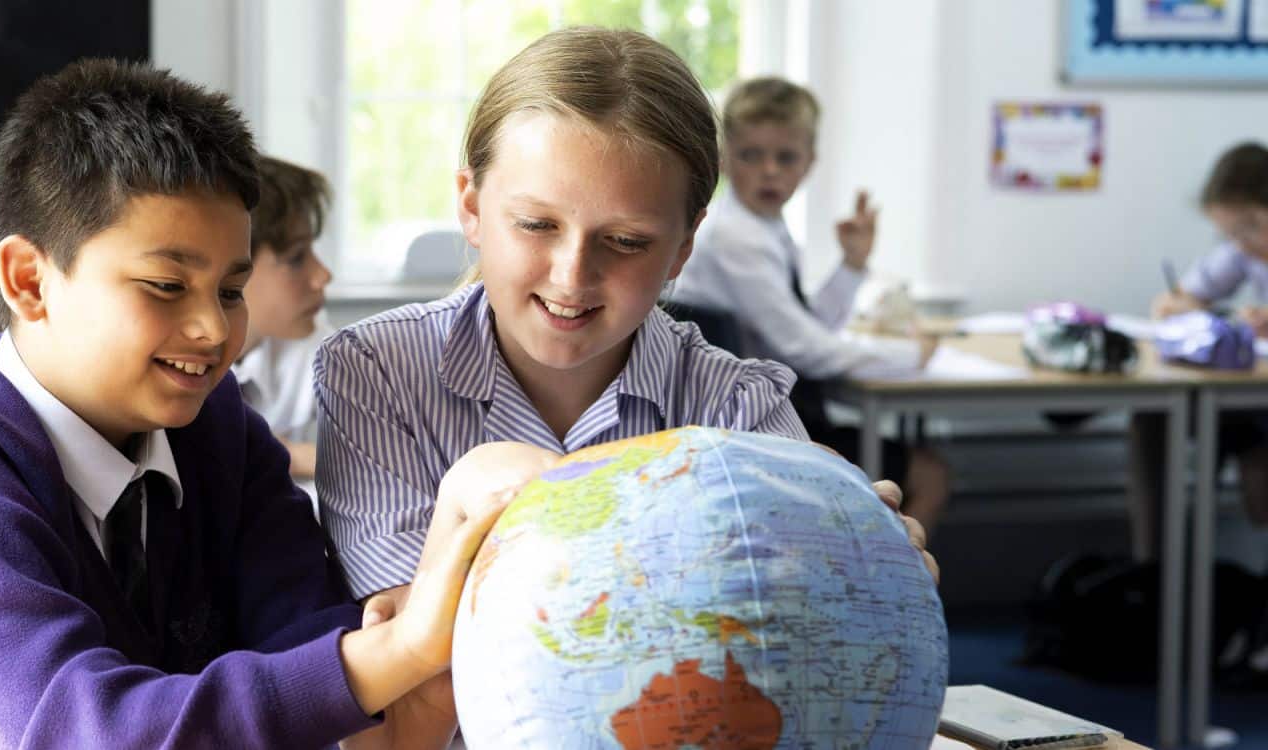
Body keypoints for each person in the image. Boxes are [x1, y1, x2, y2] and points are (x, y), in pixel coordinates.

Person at [0, 59, 507, 748]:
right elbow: (75, 731)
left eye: (230, 289)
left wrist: (392, 650)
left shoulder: (218, 430)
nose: (211, 328)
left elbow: (300, 640)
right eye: (165, 284)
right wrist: (391, 654)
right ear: (27, 280)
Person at [313, 36, 939, 742]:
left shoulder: (739, 402)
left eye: (629, 241)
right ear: (470, 204)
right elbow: (413, 669)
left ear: (683, 245)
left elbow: (811, 647)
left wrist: (866, 574)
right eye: (536, 224)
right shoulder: (375, 370)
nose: (572, 275)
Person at [669, 75, 950, 530]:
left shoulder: (764, 228)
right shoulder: (737, 238)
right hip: (766, 435)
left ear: (809, 163)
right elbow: (803, 348)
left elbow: (807, 327)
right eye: (751, 155)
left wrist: (852, 265)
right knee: (931, 474)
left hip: (774, 418)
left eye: (786, 157)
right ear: (723, 158)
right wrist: (910, 357)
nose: (770, 171)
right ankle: (894, 590)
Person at [1133, 142, 1268, 558]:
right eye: (1230, 234)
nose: (1242, 243)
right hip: (1248, 397)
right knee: (1155, 420)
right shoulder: (1243, 254)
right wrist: (1186, 308)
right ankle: (1159, 570)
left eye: (1251, 228)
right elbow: (1172, 303)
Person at [234, 156, 334, 479]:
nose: (322, 276)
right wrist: (284, 454)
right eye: (296, 258)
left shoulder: (312, 344)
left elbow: (377, 457)